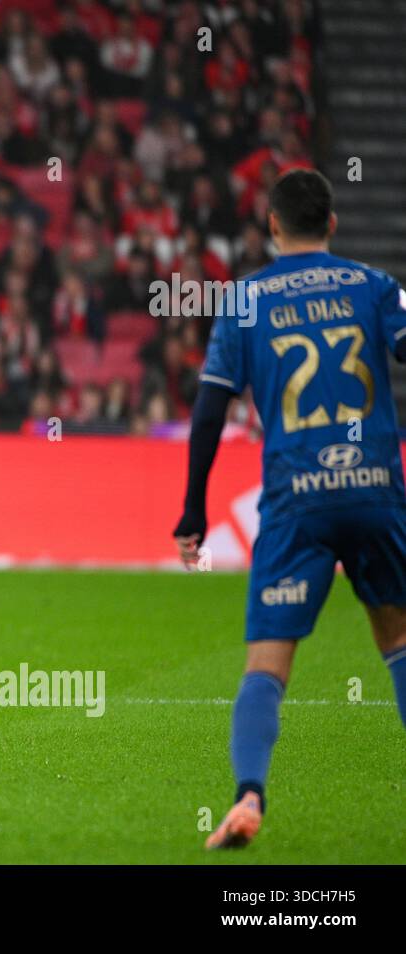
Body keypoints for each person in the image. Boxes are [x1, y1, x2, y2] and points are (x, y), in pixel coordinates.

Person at [173, 168, 406, 849]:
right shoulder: (374, 286)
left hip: (297, 498)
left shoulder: (247, 301)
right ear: (331, 224)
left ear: (272, 227)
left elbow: (211, 408)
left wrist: (194, 509)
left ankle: (249, 794)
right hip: (374, 488)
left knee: (267, 666)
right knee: (396, 641)